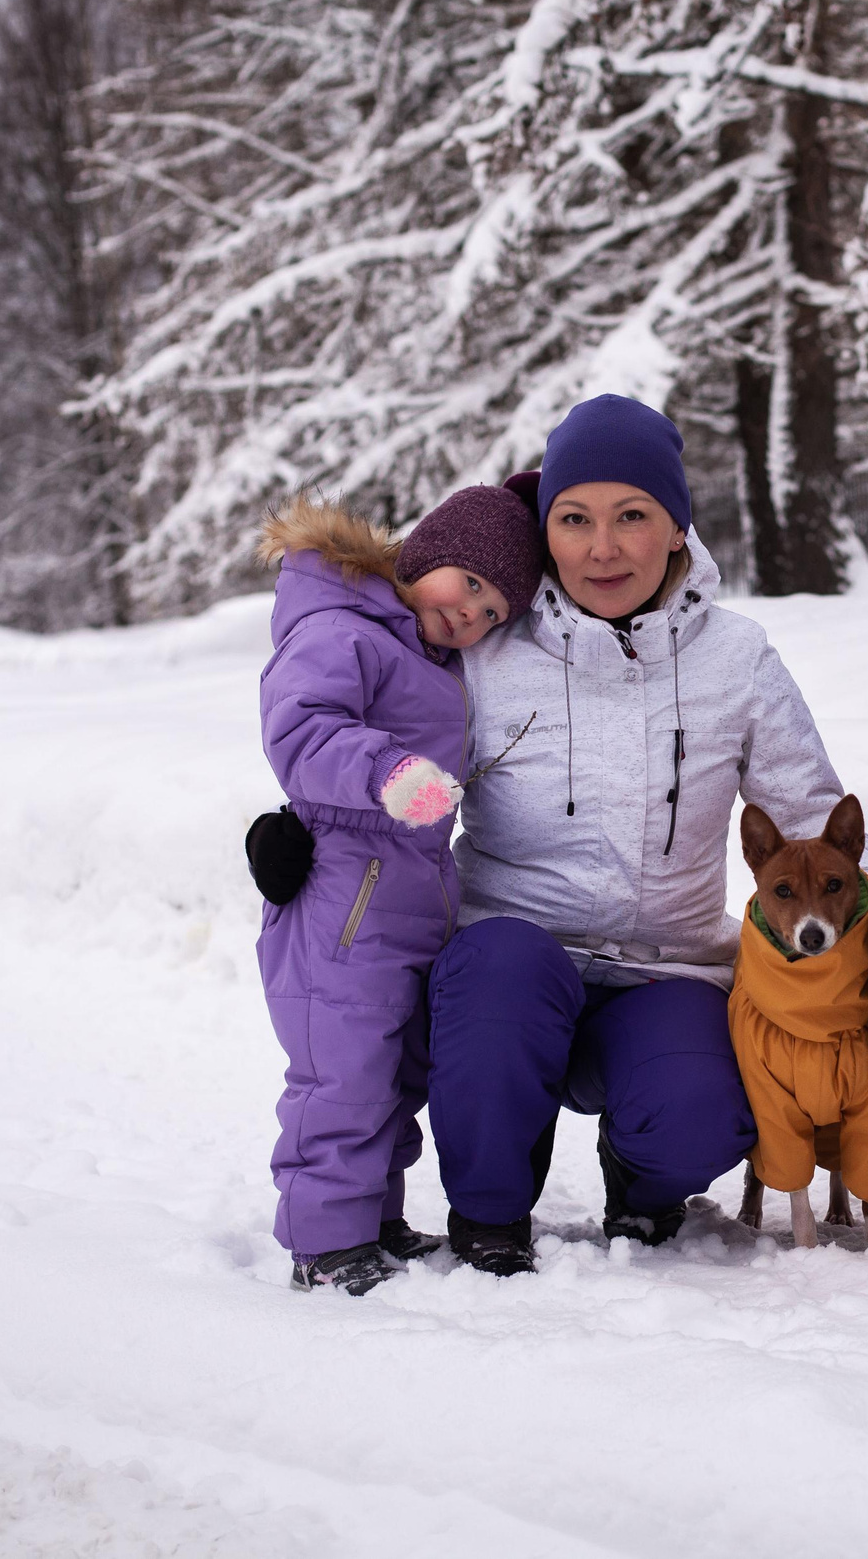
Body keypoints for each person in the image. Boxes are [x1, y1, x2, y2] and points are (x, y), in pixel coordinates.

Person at [425, 394, 868, 1276]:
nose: (603, 547)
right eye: (575, 519)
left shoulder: (736, 659)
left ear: (676, 527)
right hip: (513, 958)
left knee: (701, 1107)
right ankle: (488, 1212)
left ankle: (642, 1181)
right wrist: (315, 835)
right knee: (497, 990)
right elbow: (398, 787)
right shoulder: (488, 651)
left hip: (664, 965)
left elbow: (815, 830)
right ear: (544, 529)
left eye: (633, 516)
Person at [252, 486, 545, 1294]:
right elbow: (301, 728)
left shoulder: (428, 652)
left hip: (410, 892)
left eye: (494, 610)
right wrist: (387, 772)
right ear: (428, 549)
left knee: (393, 1071)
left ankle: (372, 1219)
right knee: (341, 1071)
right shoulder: (340, 625)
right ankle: (325, 1240)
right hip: (341, 894)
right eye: (471, 584)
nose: (474, 615)